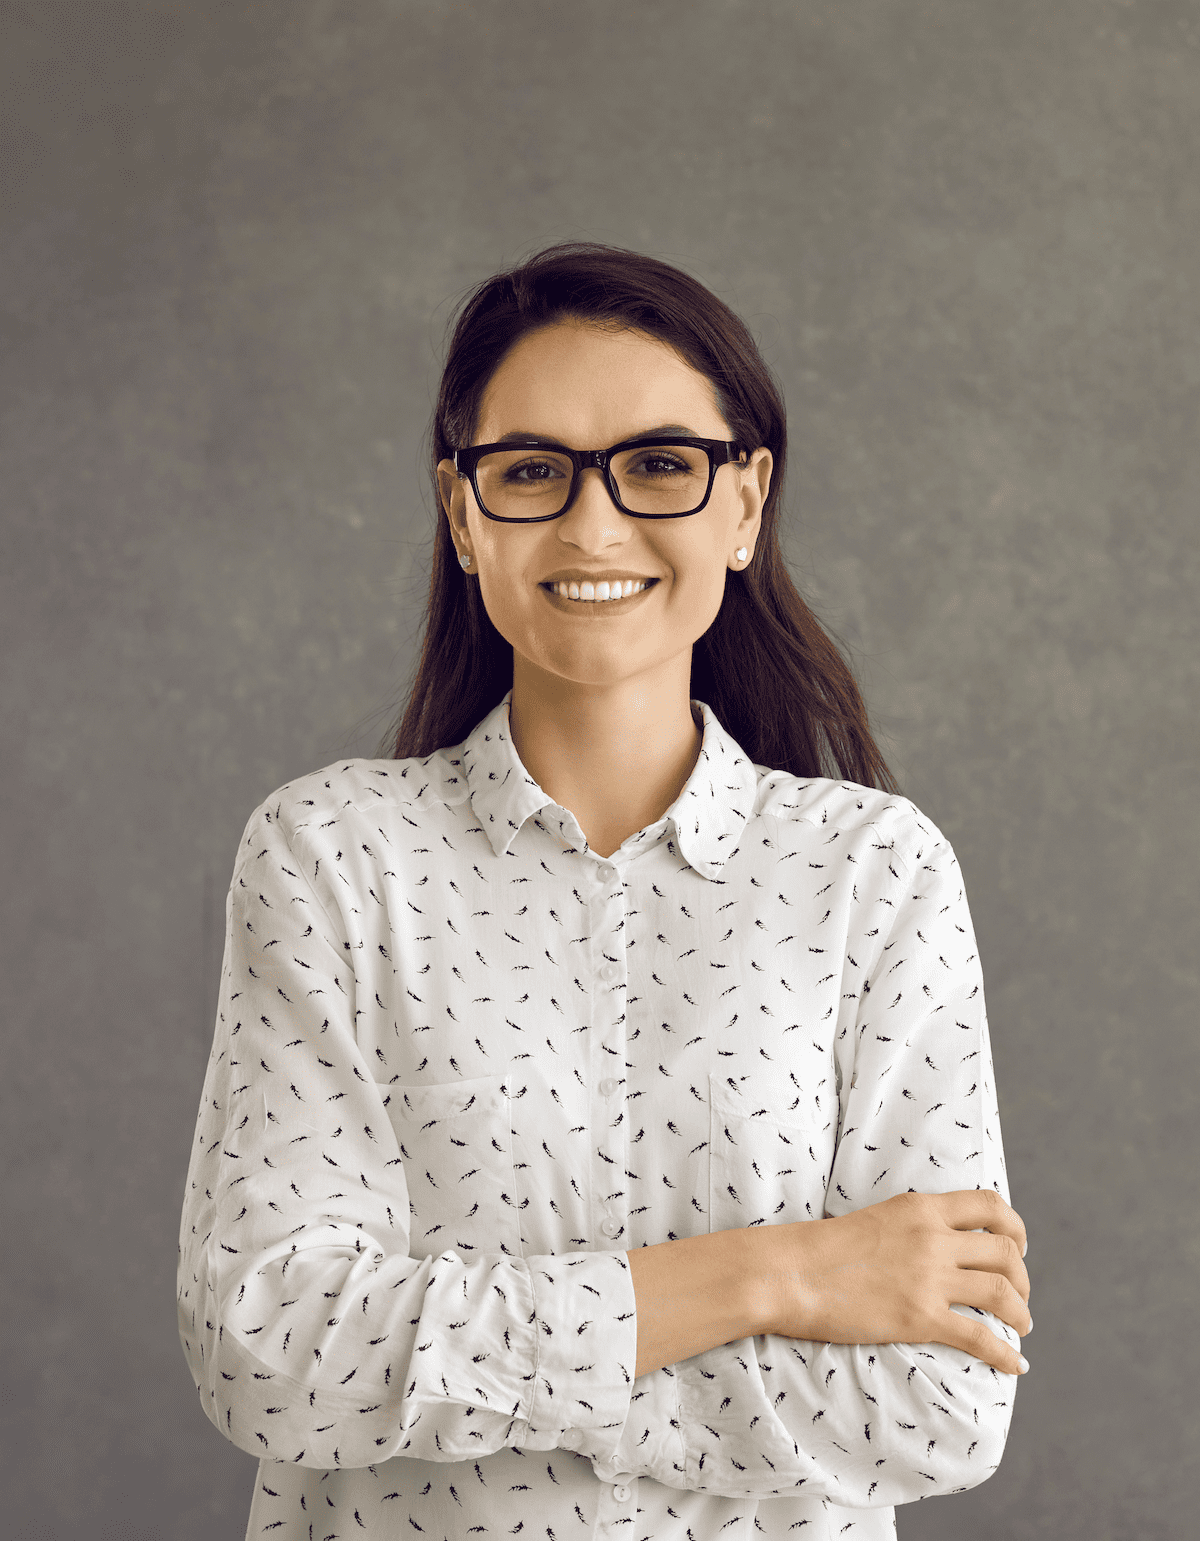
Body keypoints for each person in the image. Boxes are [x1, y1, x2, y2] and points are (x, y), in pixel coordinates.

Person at [177, 242, 1031, 1541]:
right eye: (530, 471)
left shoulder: (874, 877)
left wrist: (460, 1371)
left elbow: (936, 1406)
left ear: (744, 504)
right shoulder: (334, 858)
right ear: (464, 515)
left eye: (660, 465)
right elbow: (272, 1348)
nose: (592, 525)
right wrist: (777, 1275)